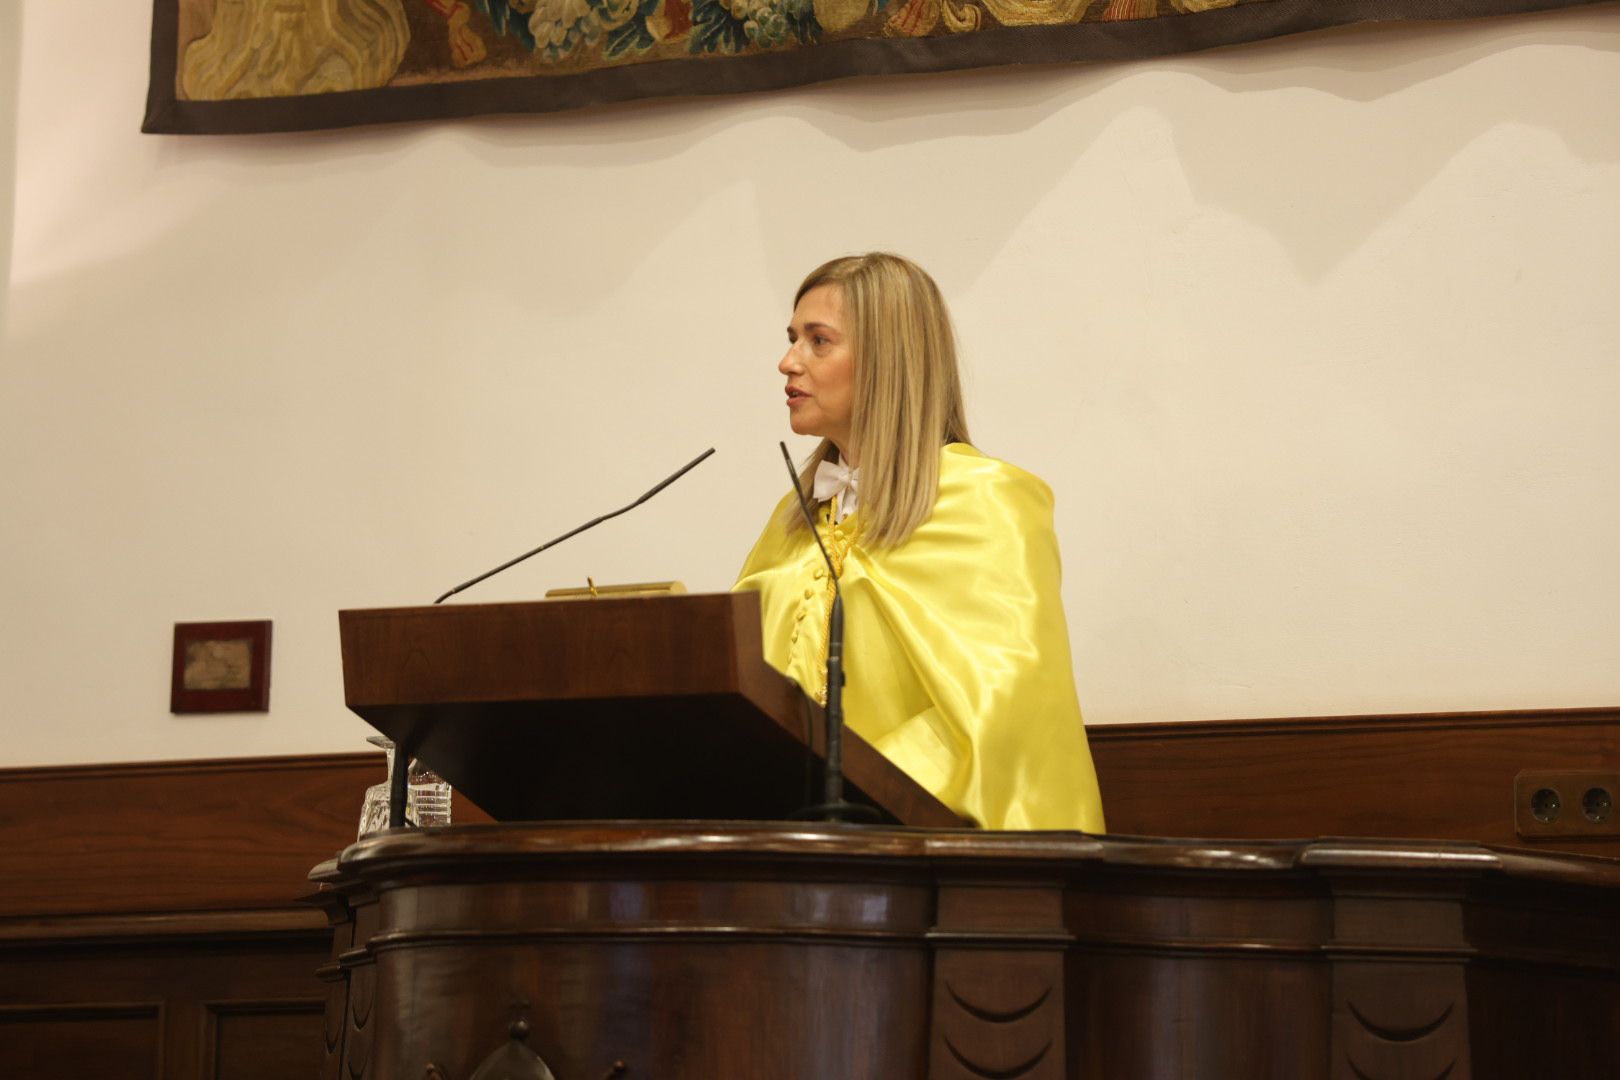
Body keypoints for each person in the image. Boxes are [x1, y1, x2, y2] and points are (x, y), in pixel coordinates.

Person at [733, 253, 1106, 831]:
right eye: (792, 339)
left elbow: (1005, 705)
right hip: (792, 843)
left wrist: (850, 796)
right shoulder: (795, 516)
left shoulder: (986, 500)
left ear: (887, 360)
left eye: (818, 341)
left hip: (931, 853)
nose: (788, 362)